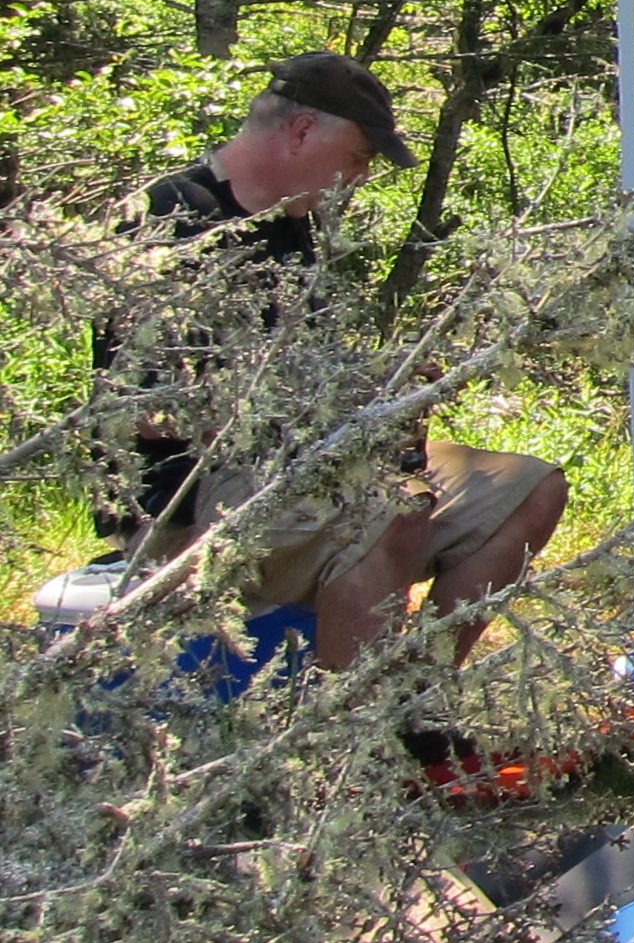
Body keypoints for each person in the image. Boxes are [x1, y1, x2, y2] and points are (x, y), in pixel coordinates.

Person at [113, 53, 570, 674]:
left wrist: (383, 393)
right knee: (390, 510)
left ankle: (416, 699)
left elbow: (310, 367)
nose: (359, 176)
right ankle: (353, 741)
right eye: (357, 157)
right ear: (302, 132)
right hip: (186, 503)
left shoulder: (291, 226)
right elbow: (141, 412)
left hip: (300, 468)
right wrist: (295, 410)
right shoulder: (171, 218)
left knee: (530, 489)